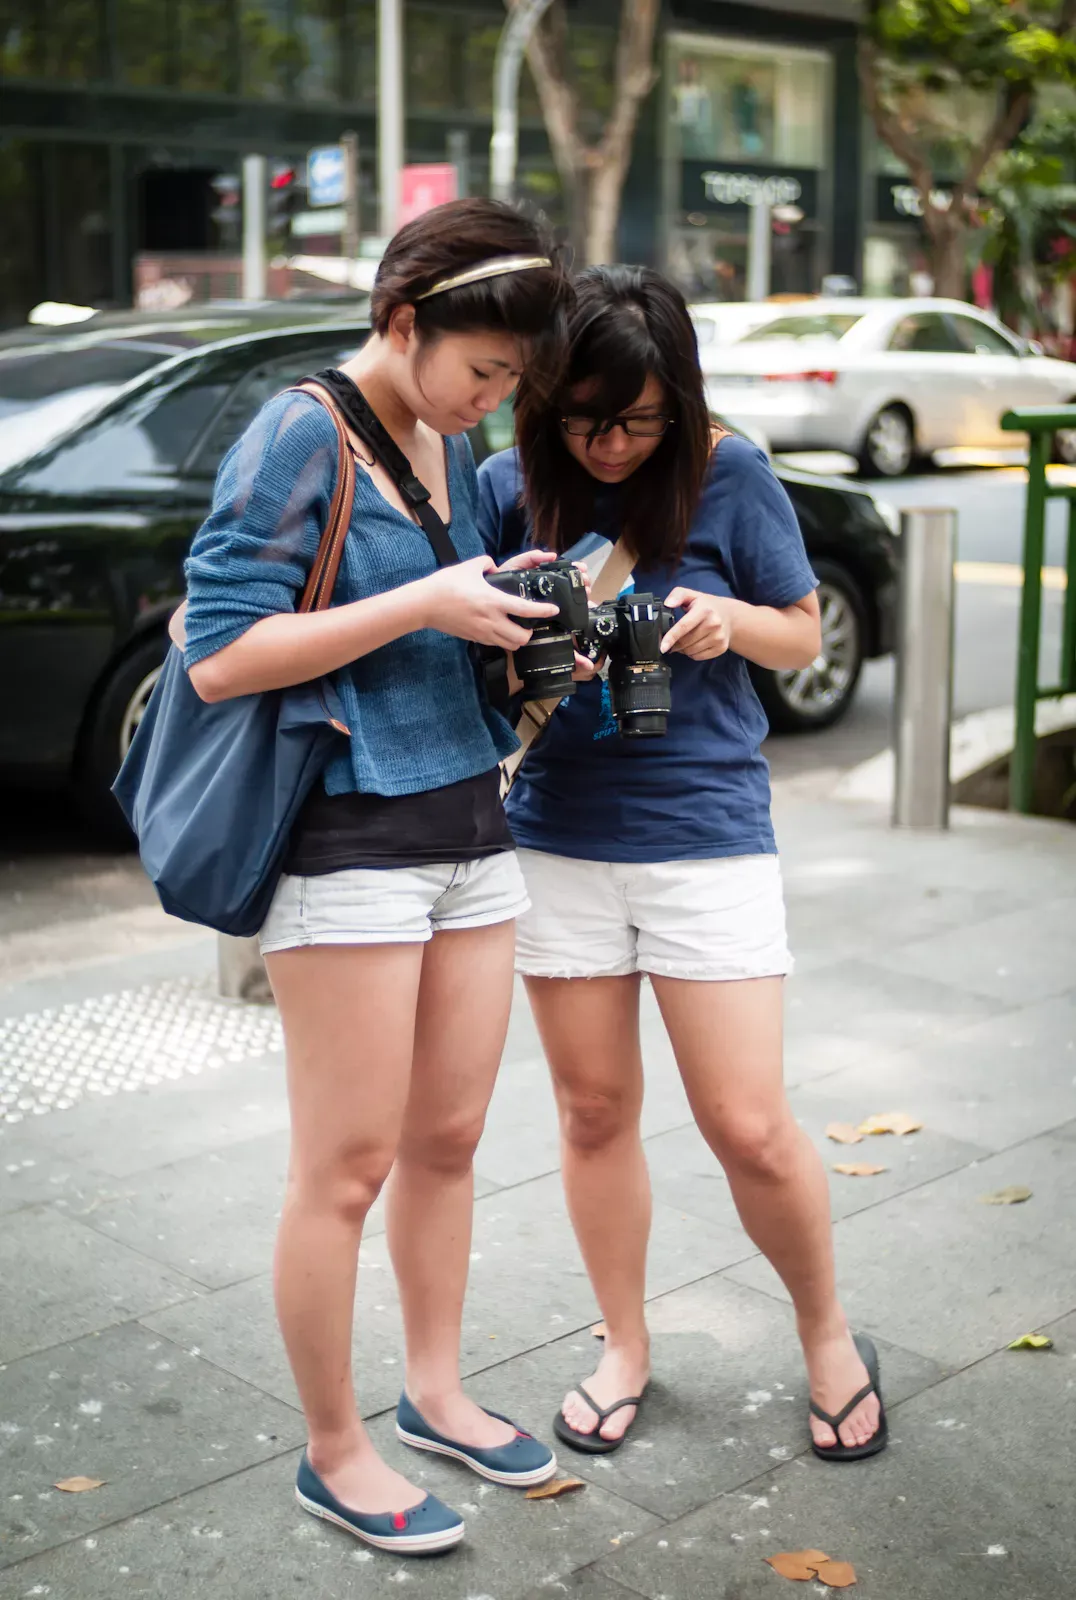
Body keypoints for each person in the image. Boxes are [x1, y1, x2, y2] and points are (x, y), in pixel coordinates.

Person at [181, 200, 573, 1555]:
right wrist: (424, 600)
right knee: (343, 1167)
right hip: (346, 836)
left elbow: (430, 608)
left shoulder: (438, 439)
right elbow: (222, 654)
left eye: (511, 384)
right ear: (402, 323)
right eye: (482, 371)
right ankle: (332, 1448)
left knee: (450, 1143)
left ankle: (437, 1390)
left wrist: (501, 606)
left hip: (468, 817)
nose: (489, 403)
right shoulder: (300, 428)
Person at [477, 264, 887, 1466]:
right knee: (592, 1110)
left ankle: (826, 1335)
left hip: (704, 830)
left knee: (746, 1122)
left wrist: (719, 621)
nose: (610, 445)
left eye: (637, 418)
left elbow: (802, 629)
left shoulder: (729, 470)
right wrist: (541, 658)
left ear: (678, 397)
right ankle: (622, 1343)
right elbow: (480, 673)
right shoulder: (510, 485)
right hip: (557, 834)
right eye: (586, 418)